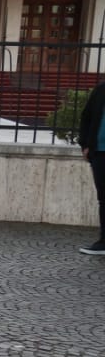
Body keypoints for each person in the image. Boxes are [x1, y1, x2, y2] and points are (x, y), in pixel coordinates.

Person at [79, 79, 105, 255]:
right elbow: (87, 117)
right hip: (100, 152)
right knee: (104, 198)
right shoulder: (101, 90)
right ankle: (104, 242)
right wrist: (85, 144)